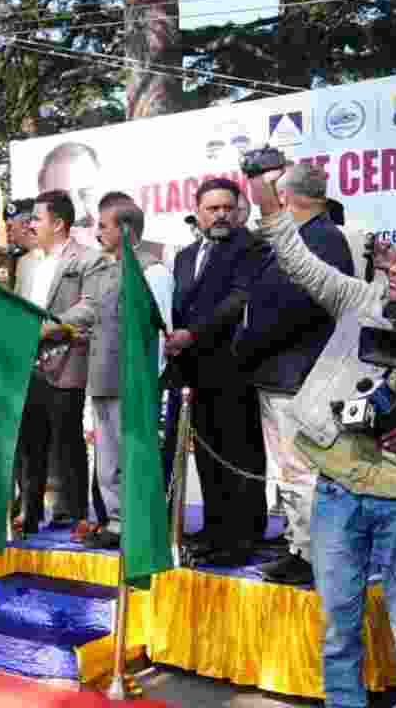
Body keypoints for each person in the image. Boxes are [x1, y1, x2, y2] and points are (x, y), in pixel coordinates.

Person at [254, 163, 396, 708]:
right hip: (337, 491)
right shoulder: (360, 301)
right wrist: (261, 185)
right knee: (338, 630)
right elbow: (294, 256)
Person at [231, 163, 353, 587]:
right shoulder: (307, 235)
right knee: (291, 469)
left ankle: (310, 553)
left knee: (300, 469)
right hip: (282, 370)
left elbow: (293, 310)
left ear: (285, 197)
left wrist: (246, 345)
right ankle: (300, 546)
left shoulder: (321, 239)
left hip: (297, 373)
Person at [165, 178, 271, 567]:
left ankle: (242, 537)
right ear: (198, 212)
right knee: (208, 455)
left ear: (239, 210)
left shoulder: (252, 248)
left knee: (239, 453)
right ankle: (215, 528)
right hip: (192, 371)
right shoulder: (184, 256)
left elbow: (238, 301)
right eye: (213, 209)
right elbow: (177, 306)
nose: (221, 215)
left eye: (228, 207)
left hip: (234, 368)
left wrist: (192, 333)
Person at [12, 190, 106, 535]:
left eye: (36, 219)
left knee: (68, 439)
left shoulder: (89, 259)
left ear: (59, 223)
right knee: (29, 440)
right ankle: (30, 511)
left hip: (67, 359)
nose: (30, 225)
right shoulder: (25, 263)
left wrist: (50, 328)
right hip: (28, 362)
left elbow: (90, 307)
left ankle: (74, 513)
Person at [81, 196, 169, 549]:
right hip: (103, 377)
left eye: (103, 226)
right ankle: (116, 522)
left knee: (133, 456)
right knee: (107, 460)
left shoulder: (152, 270)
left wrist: (152, 381)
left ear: (125, 228)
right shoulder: (106, 270)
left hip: (134, 381)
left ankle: (138, 523)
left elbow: (164, 332)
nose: (97, 232)